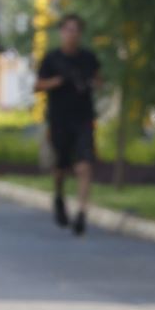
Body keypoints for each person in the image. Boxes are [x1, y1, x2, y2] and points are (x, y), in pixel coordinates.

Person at [34, 14, 103, 235]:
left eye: (76, 30)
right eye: (68, 30)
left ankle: (82, 212)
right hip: (59, 119)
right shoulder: (52, 58)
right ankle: (59, 196)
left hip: (83, 118)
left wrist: (89, 82)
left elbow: (99, 80)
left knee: (84, 164)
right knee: (61, 168)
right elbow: (38, 85)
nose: (72, 34)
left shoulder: (88, 58)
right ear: (62, 32)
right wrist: (58, 81)